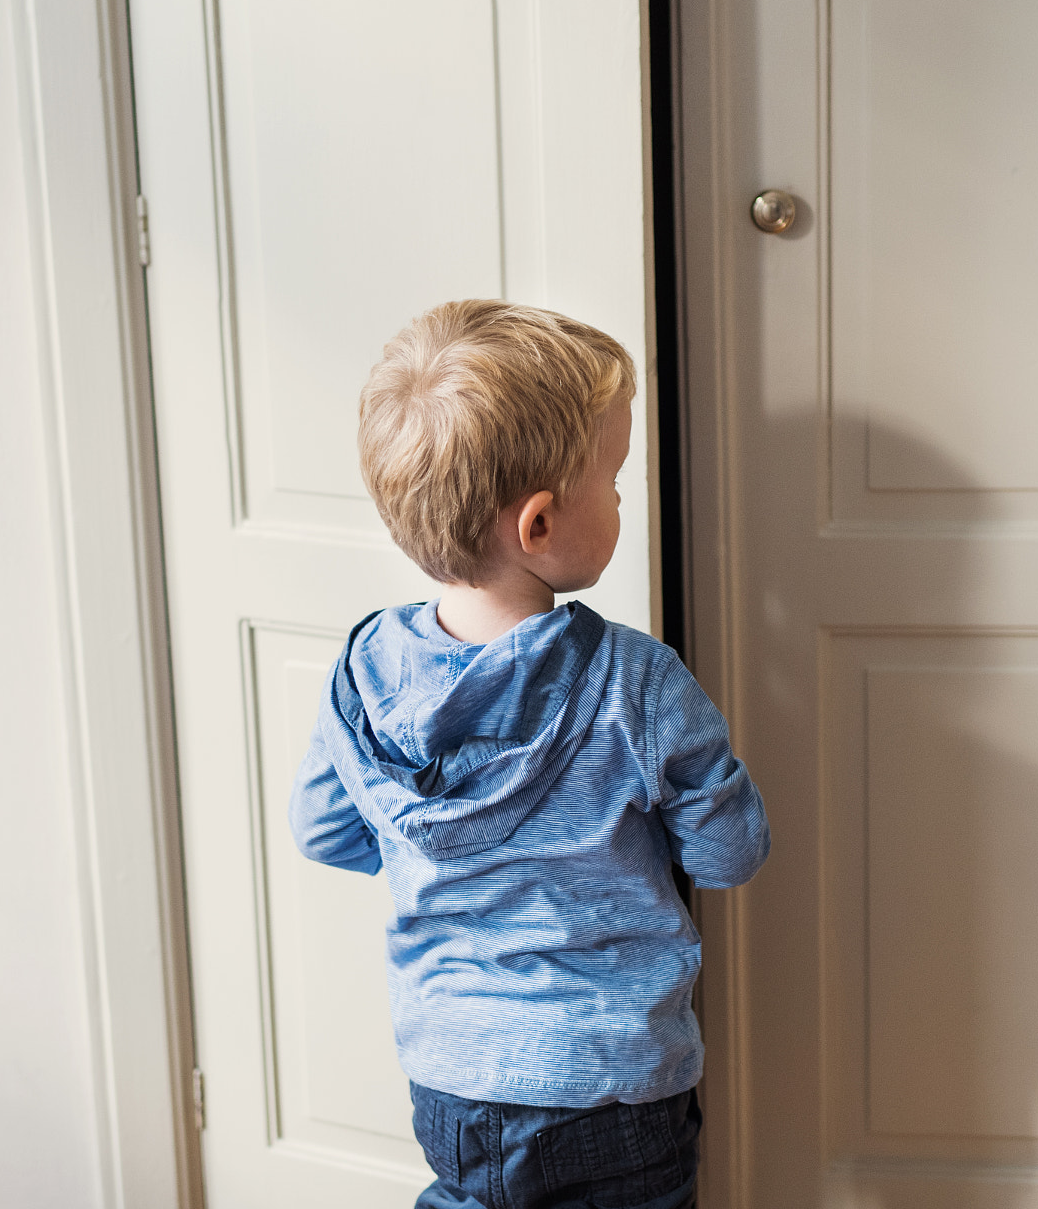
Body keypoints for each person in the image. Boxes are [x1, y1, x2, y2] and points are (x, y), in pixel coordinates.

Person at [289, 299, 771, 1209]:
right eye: (616, 480)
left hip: (456, 1074)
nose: (624, 498)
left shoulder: (362, 676)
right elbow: (728, 853)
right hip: (616, 1078)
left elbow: (324, 830)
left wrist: (441, 850)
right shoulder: (636, 681)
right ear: (540, 525)